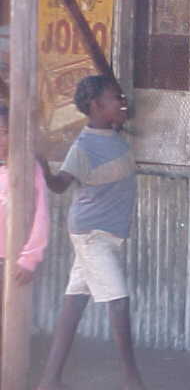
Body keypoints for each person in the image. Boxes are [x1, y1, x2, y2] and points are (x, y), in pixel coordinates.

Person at [37, 75, 145, 390]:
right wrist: (44, 168)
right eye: (115, 98)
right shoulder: (82, 148)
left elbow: (126, 116)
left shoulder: (113, 135)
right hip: (92, 234)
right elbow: (60, 187)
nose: (121, 102)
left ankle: (49, 380)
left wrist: (122, 114)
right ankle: (132, 380)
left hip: (107, 235)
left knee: (74, 304)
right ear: (97, 106)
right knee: (119, 301)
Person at [0, 104, 50, 347]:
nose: (2, 138)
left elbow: (40, 216)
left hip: (12, 263)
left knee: (9, 324)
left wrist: (29, 259)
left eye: (6, 131)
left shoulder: (29, 169)